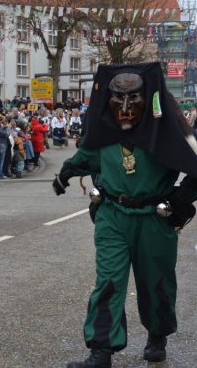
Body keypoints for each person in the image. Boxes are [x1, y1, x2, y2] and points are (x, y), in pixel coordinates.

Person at [53, 63, 197, 367]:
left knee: (156, 282)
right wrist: (63, 175)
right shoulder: (103, 134)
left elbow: (195, 164)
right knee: (108, 280)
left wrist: (181, 198)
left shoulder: (166, 134)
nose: (126, 108)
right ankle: (101, 350)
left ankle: (157, 334)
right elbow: (84, 158)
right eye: (118, 98)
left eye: (134, 98)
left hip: (155, 219)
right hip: (112, 215)